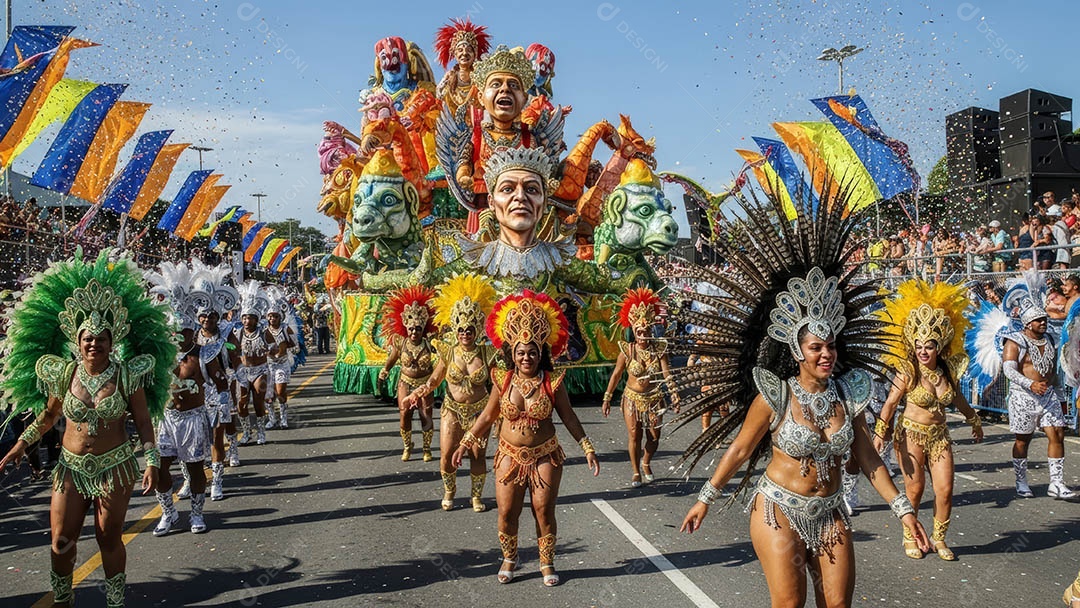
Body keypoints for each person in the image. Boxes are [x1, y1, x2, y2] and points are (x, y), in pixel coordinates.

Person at [671, 181, 928, 607]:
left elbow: (866, 457)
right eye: (816, 348)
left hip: (830, 511)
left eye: (830, 346)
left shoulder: (848, 394)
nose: (826, 354)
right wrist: (705, 498)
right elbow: (739, 451)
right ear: (797, 352)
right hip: (778, 509)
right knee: (790, 604)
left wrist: (902, 508)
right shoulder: (774, 396)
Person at [0, 250, 174, 607]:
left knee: (108, 537)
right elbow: (49, 418)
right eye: (87, 338)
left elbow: (143, 422)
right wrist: (22, 443)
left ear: (113, 342)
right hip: (70, 467)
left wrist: (152, 460)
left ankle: (114, 602)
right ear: (77, 342)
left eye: (101, 338)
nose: (94, 343)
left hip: (115, 466)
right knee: (61, 539)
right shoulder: (65, 373)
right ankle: (63, 600)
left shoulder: (128, 375)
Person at [452, 290, 599, 586]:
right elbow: (488, 416)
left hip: (545, 455)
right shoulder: (503, 379)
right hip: (508, 454)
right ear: (512, 352)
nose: (526, 357)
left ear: (541, 351)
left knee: (543, 510)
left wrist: (587, 447)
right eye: (520, 352)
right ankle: (510, 557)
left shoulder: (552, 382)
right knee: (507, 512)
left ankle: (547, 562)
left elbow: (568, 417)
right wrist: (466, 441)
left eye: (532, 351)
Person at [873, 280, 984, 560]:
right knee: (916, 488)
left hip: (939, 436)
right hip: (910, 434)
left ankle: (938, 538)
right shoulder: (908, 371)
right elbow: (890, 403)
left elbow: (958, 399)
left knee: (945, 489)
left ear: (939, 346)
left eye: (929, 346)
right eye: (919, 345)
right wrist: (880, 432)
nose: (923, 351)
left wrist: (974, 420)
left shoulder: (946, 371)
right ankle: (910, 535)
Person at [409, 274, 497, 511]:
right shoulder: (448, 352)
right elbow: (435, 379)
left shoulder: (488, 354)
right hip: (452, 410)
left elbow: (500, 383)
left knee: (478, 455)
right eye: (461, 329)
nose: (465, 334)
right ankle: (450, 490)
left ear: (477, 329)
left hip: (479, 411)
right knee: (447, 453)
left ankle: (476, 496)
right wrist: (419, 391)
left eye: (470, 329)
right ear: (455, 329)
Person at [1002, 290, 1076, 498]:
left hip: (1048, 395)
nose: (1043, 322)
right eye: (1038, 320)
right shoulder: (1014, 341)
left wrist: (1061, 398)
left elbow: (1052, 373)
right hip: (1022, 396)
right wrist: (1030, 384)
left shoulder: (1050, 339)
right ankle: (1021, 481)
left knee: (1057, 434)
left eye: (1043, 319)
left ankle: (1057, 483)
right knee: (1023, 440)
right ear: (1027, 323)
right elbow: (1008, 370)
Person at [602, 288, 676, 487]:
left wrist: (674, 392)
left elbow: (666, 373)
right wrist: (607, 397)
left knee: (654, 436)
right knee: (635, 434)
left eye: (646, 331)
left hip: (654, 398)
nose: (643, 336)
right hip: (632, 398)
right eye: (639, 332)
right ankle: (636, 471)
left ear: (651, 330)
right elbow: (617, 375)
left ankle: (646, 462)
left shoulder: (659, 349)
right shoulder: (626, 350)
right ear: (633, 331)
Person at [153, 328, 212, 536]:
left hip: (192, 419)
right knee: (159, 467)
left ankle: (196, 514)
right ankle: (168, 512)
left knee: (195, 469)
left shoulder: (203, 354)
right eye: (173, 329)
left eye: (182, 329)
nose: (177, 334)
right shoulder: (159, 355)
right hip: (165, 419)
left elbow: (219, 382)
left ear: (192, 330)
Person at [378, 286, 438, 462]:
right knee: (405, 414)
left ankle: (426, 448)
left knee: (425, 415)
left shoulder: (430, 343)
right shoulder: (401, 343)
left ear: (423, 328)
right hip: (405, 382)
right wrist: (385, 371)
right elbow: (392, 358)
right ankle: (407, 446)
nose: (414, 332)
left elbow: (443, 359)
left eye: (418, 328)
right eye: (411, 328)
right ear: (406, 326)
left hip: (424, 384)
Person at [235, 281, 274, 445]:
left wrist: (270, 351)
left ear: (256, 319)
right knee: (241, 404)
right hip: (243, 371)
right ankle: (246, 432)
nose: (246, 321)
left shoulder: (264, 333)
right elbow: (231, 350)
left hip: (260, 371)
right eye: (244, 317)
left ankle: (261, 432)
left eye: (249, 317)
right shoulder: (237, 333)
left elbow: (275, 347)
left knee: (258, 401)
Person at [433, 17, 490, 116]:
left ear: (475, 54)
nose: (464, 53)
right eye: (460, 50)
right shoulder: (449, 78)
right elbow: (439, 99)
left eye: (469, 50)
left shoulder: (482, 78)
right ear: (454, 54)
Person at [264, 288, 298, 429]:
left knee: (280, 392)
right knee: (268, 394)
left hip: (282, 364)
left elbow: (295, 344)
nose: (272, 319)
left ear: (280, 317)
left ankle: (284, 418)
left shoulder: (285, 328)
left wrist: (283, 347)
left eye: (275, 316)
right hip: (267, 366)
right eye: (270, 316)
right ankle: (272, 418)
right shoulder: (263, 331)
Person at [1049, 205, 1073, 269]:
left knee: (1063, 270)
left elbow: (1062, 240)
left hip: (1062, 251)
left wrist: (1062, 257)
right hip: (1065, 250)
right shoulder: (1061, 224)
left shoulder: (1058, 225)